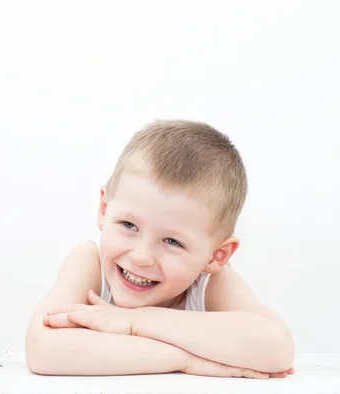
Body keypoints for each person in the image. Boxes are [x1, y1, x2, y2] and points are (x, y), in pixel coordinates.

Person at [24, 119, 295, 379]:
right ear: (104, 211)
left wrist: (135, 322)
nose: (141, 257)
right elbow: (42, 347)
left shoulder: (211, 283)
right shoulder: (89, 263)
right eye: (128, 224)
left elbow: (277, 349)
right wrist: (186, 359)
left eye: (173, 242)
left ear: (216, 256)